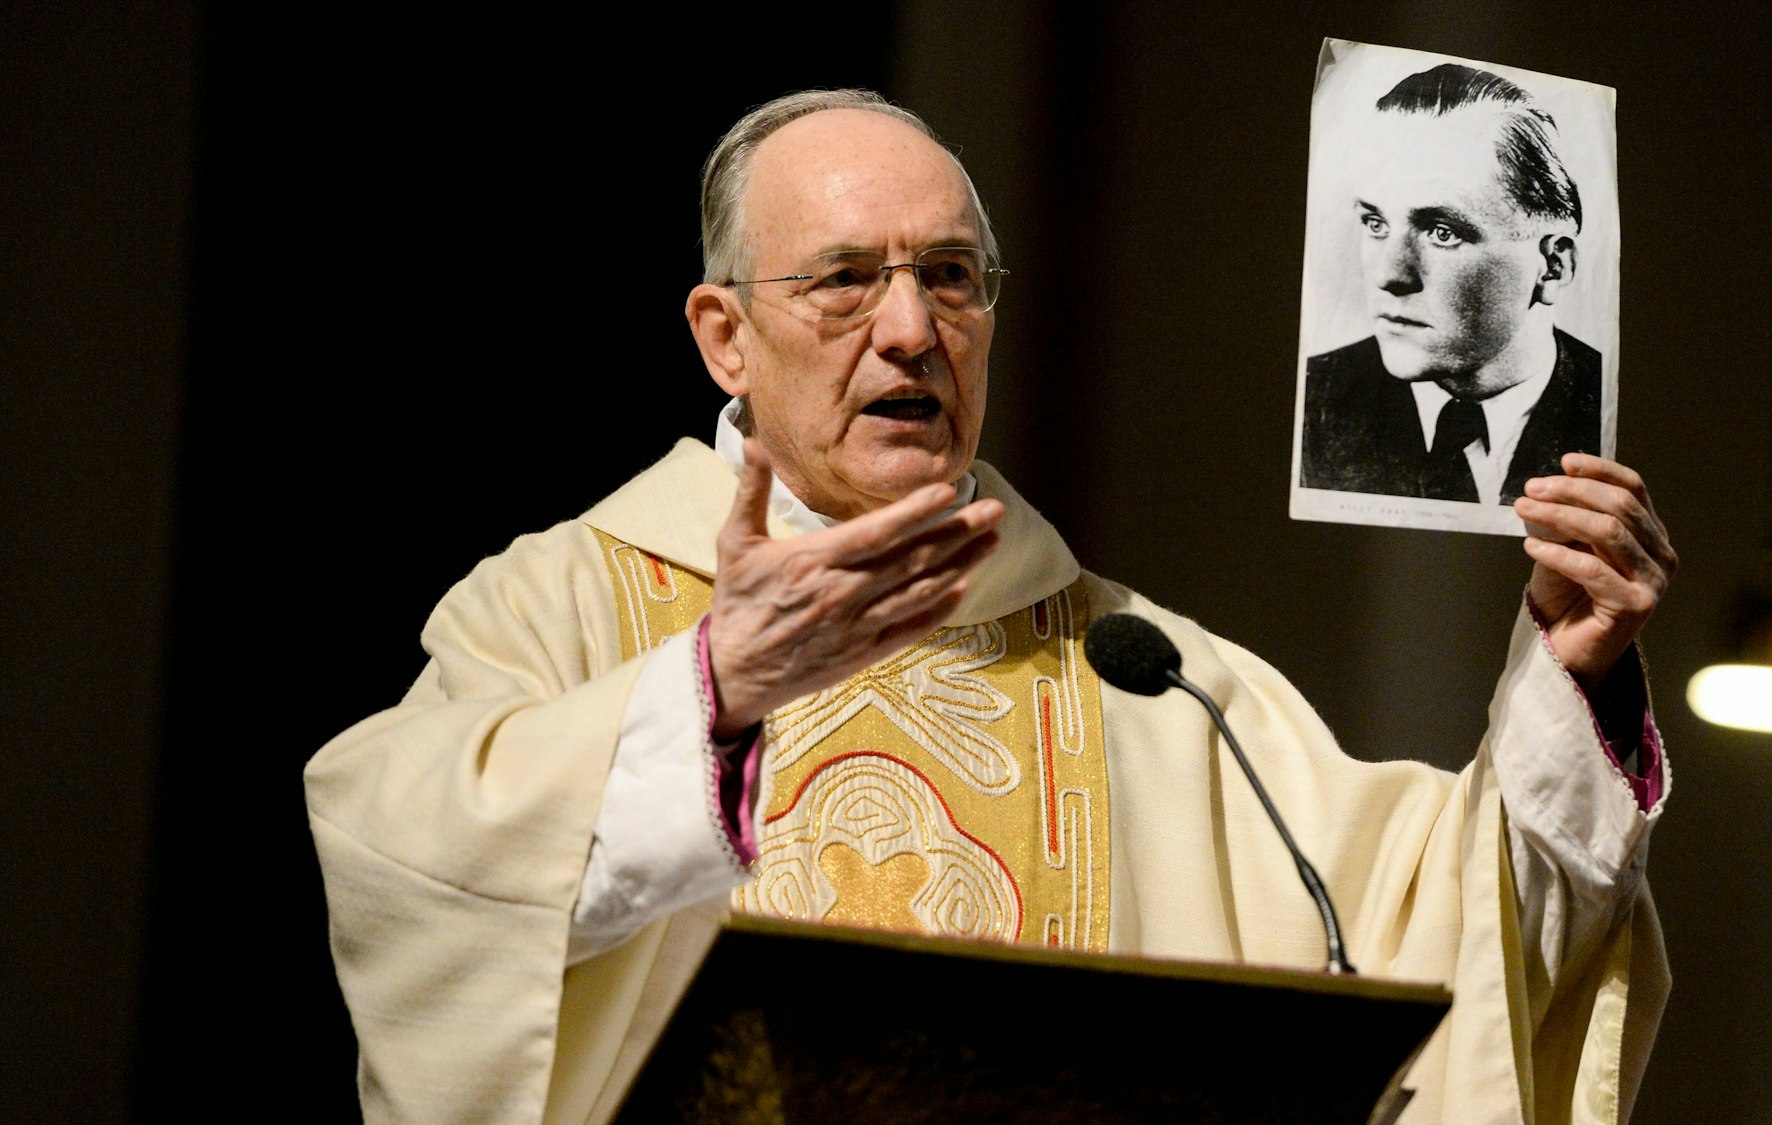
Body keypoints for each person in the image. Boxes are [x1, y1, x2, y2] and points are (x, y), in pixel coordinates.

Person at [306, 88, 1677, 1124]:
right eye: (845, 279)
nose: (911, 330)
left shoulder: (1142, 671)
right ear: (725, 335)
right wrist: (707, 695)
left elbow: (1452, 945)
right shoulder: (564, 605)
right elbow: (407, 863)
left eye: (951, 278)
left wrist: (1567, 678)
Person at [1299, 63, 1602, 505]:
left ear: (1552, 265)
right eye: (1376, 223)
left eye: (1443, 231)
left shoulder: (1615, 412)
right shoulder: (1314, 399)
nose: (1389, 276)